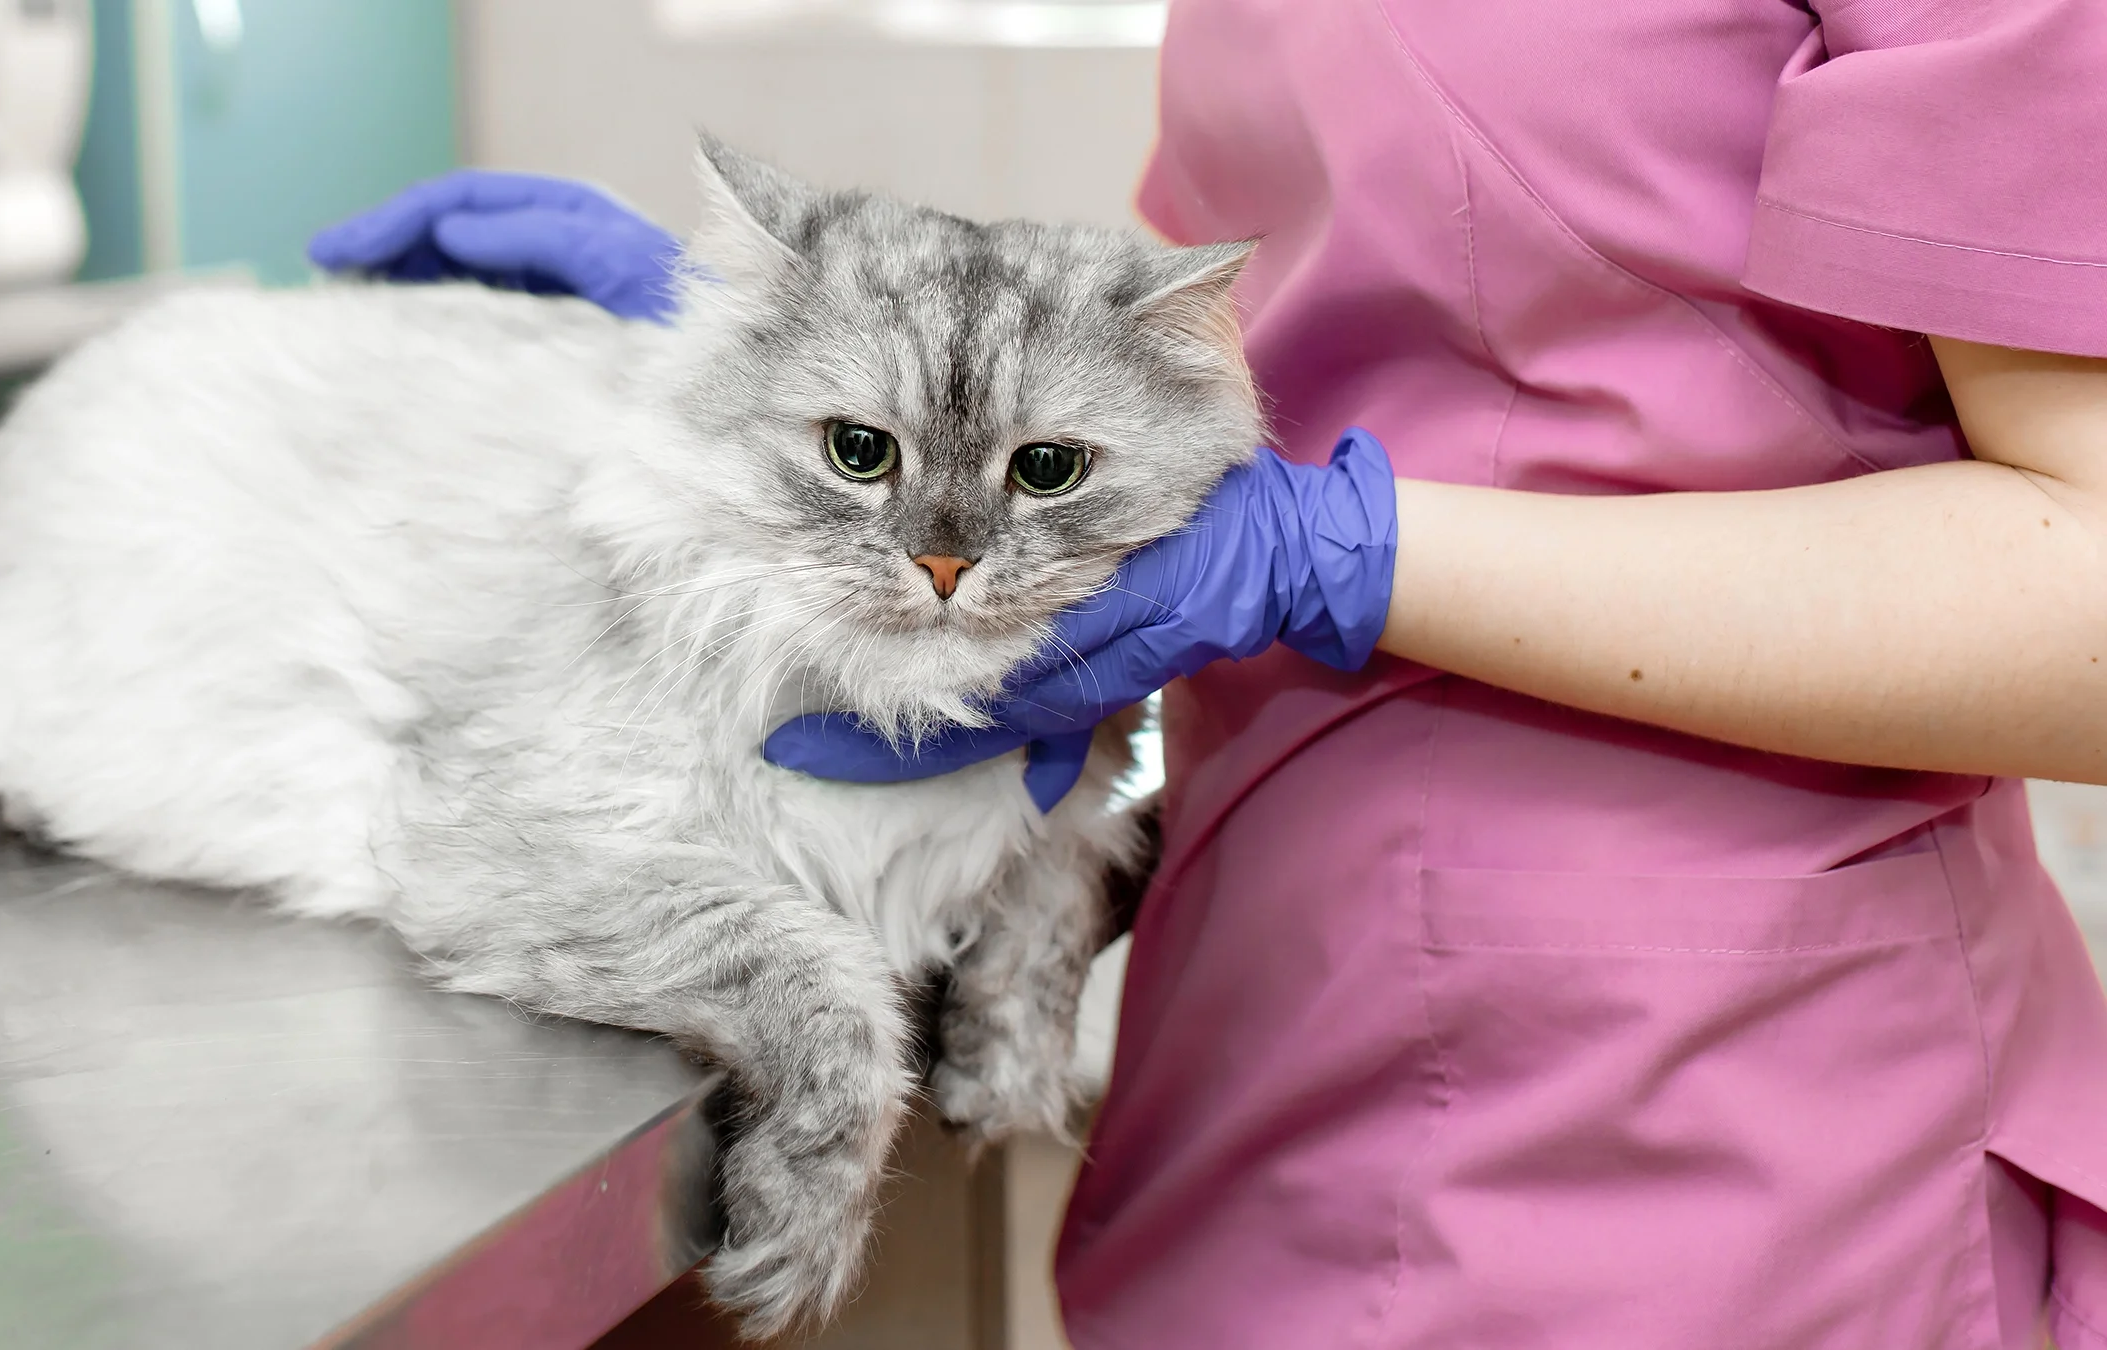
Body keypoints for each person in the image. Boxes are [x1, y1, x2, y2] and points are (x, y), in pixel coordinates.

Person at [311, 0, 2107, 1343]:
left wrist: (1344, 554)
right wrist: (778, 365)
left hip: (1715, 1119)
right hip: (1266, 1008)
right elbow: (1291, 327)